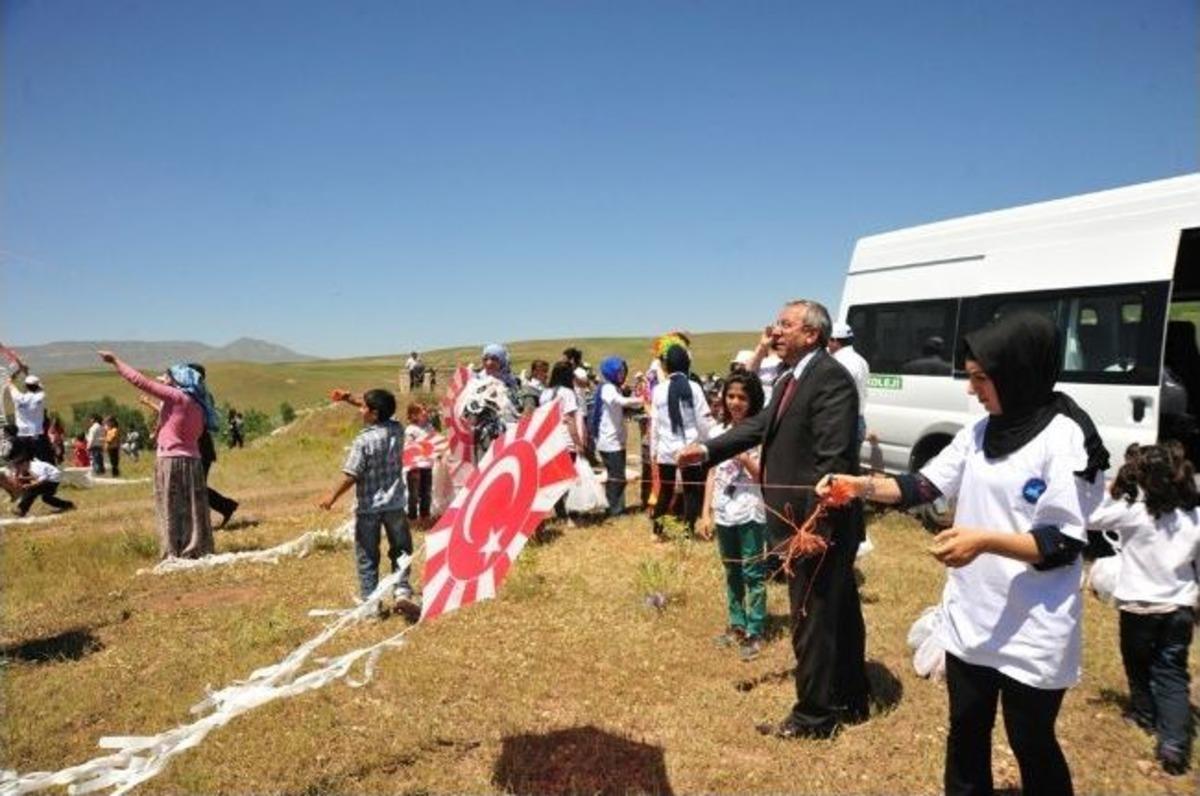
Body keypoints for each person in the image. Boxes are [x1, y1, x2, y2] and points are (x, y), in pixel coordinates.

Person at [816, 311, 1109, 795]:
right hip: (972, 618)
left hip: (1034, 626)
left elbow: (1063, 544)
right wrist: (859, 484)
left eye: (980, 379)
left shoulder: (1065, 438)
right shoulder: (980, 431)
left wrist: (984, 540)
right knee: (966, 732)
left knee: (1031, 741)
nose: (972, 391)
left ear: (1017, 372)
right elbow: (924, 484)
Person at [678, 299, 868, 740]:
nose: (775, 332)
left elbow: (833, 461)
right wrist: (709, 451)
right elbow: (760, 425)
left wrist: (815, 529)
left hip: (816, 527)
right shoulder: (790, 379)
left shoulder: (830, 380)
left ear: (812, 334)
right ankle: (851, 694)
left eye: (785, 325)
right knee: (838, 612)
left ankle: (815, 718)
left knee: (812, 616)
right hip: (796, 521)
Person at [1089, 443, 1198, 776]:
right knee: (1172, 673)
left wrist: (1111, 490)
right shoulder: (1192, 516)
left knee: (1137, 664)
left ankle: (1144, 713)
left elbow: (1090, 518)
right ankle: (1174, 744)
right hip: (1179, 606)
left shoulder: (1133, 511)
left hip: (1138, 608)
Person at [98, 351, 215, 559]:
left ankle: (173, 550)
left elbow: (140, 381)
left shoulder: (176, 397)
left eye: (170, 376)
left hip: (171, 460)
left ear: (178, 380)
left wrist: (116, 361)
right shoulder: (198, 405)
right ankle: (196, 547)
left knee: (169, 507)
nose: (165, 378)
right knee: (192, 508)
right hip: (193, 461)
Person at [319, 388, 414, 610]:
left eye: (363, 407)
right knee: (401, 549)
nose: (360, 409)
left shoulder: (363, 441)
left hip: (368, 508)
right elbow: (381, 410)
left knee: (368, 556)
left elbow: (352, 474)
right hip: (395, 505)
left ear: (373, 413)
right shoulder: (398, 430)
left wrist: (331, 497)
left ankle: (370, 603)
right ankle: (401, 590)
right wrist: (349, 399)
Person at [698, 372, 767, 662]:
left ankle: (756, 628)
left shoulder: (760, 432)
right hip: (724, 509)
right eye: (731, 396)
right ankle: (737, 624)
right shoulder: (717, 433)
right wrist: (705, 512)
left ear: (752, 401)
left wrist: (744, 456)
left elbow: (764, 476)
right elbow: (712, 472)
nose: (735, 402)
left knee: (752, 571)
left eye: (742, 397)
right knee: (731, 570)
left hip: (750, 507)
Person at [651, 343, 713, 538]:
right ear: (686, 364)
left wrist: (654, 450)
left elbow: (654, 424)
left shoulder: (659, 390)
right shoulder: (694, 388)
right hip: (690, 447)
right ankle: (687, 531)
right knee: (691, 491)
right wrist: (706, 443)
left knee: (666, 491)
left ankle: (657, 532)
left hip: (666, 448)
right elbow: (703, 419)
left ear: (667, 366)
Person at [587, 357, 644, 517]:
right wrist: (641, 400)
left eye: (622, 372)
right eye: (619, 372)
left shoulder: (613, 387)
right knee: (617, 476)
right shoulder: (608, 388)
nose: (622, 375)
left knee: (616, 476)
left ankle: (614, 507)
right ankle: (615, 510)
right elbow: (620, 402)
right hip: (610, 441)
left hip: (615, 440)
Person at [187, 364, 239, 529]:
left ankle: (224, 507)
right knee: (194, 486)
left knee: (194, 487)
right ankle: (225, 507)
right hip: (199, 445)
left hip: (201, 446)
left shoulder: (199, 396)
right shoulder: (199, 394)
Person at [541, 361, 585, 521]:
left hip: (548, 442)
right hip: (565, 441)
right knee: (570, 479)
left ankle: (560, 513)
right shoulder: (568, 393)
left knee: (556, 480)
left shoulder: (544, 393)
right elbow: (571, 420)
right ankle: (572, 515)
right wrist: (578, 443)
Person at [828, 322, 870, 449]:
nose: (827, 345)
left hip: (841, 424)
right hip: (857, 420)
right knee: (850, 466)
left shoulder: (838, 362)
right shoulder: (861, 360)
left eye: (829, 341)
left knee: (837, 467)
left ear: (835, 341)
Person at [4, 367, 54, 464]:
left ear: (26, 386)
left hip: (22, 435)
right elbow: (39, 387)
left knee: (25, 462)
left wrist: (18, 371)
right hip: (37, 434)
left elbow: (9, 382)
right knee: (41, 461)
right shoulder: (41, 396)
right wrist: (27, 374)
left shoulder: (18, 397)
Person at [7, 450, 75, 517]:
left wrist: (31, 485)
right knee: (46, 498)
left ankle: (21, 510)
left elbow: (43, 479)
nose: (18, 469)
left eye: (18, 466)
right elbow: (37, 477)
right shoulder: (30, 466)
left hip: (52, 480)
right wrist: (23, 479)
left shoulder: (35, 467)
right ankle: (68, 505)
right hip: (51, 479)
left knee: (32, 490)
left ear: (24, 463)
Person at [404, 402, 435, 523]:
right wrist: (413, 465)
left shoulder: (429, 427)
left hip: (427, 465)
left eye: (425, 410)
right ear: (413, 415)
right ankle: (412, 517)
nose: (425, 412)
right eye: (421, 411)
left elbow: (434, 442)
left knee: (426, 491)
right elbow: (409, 448)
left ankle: (425, 515)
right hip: (415, 466)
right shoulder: (411, 430)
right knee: (414, 493)